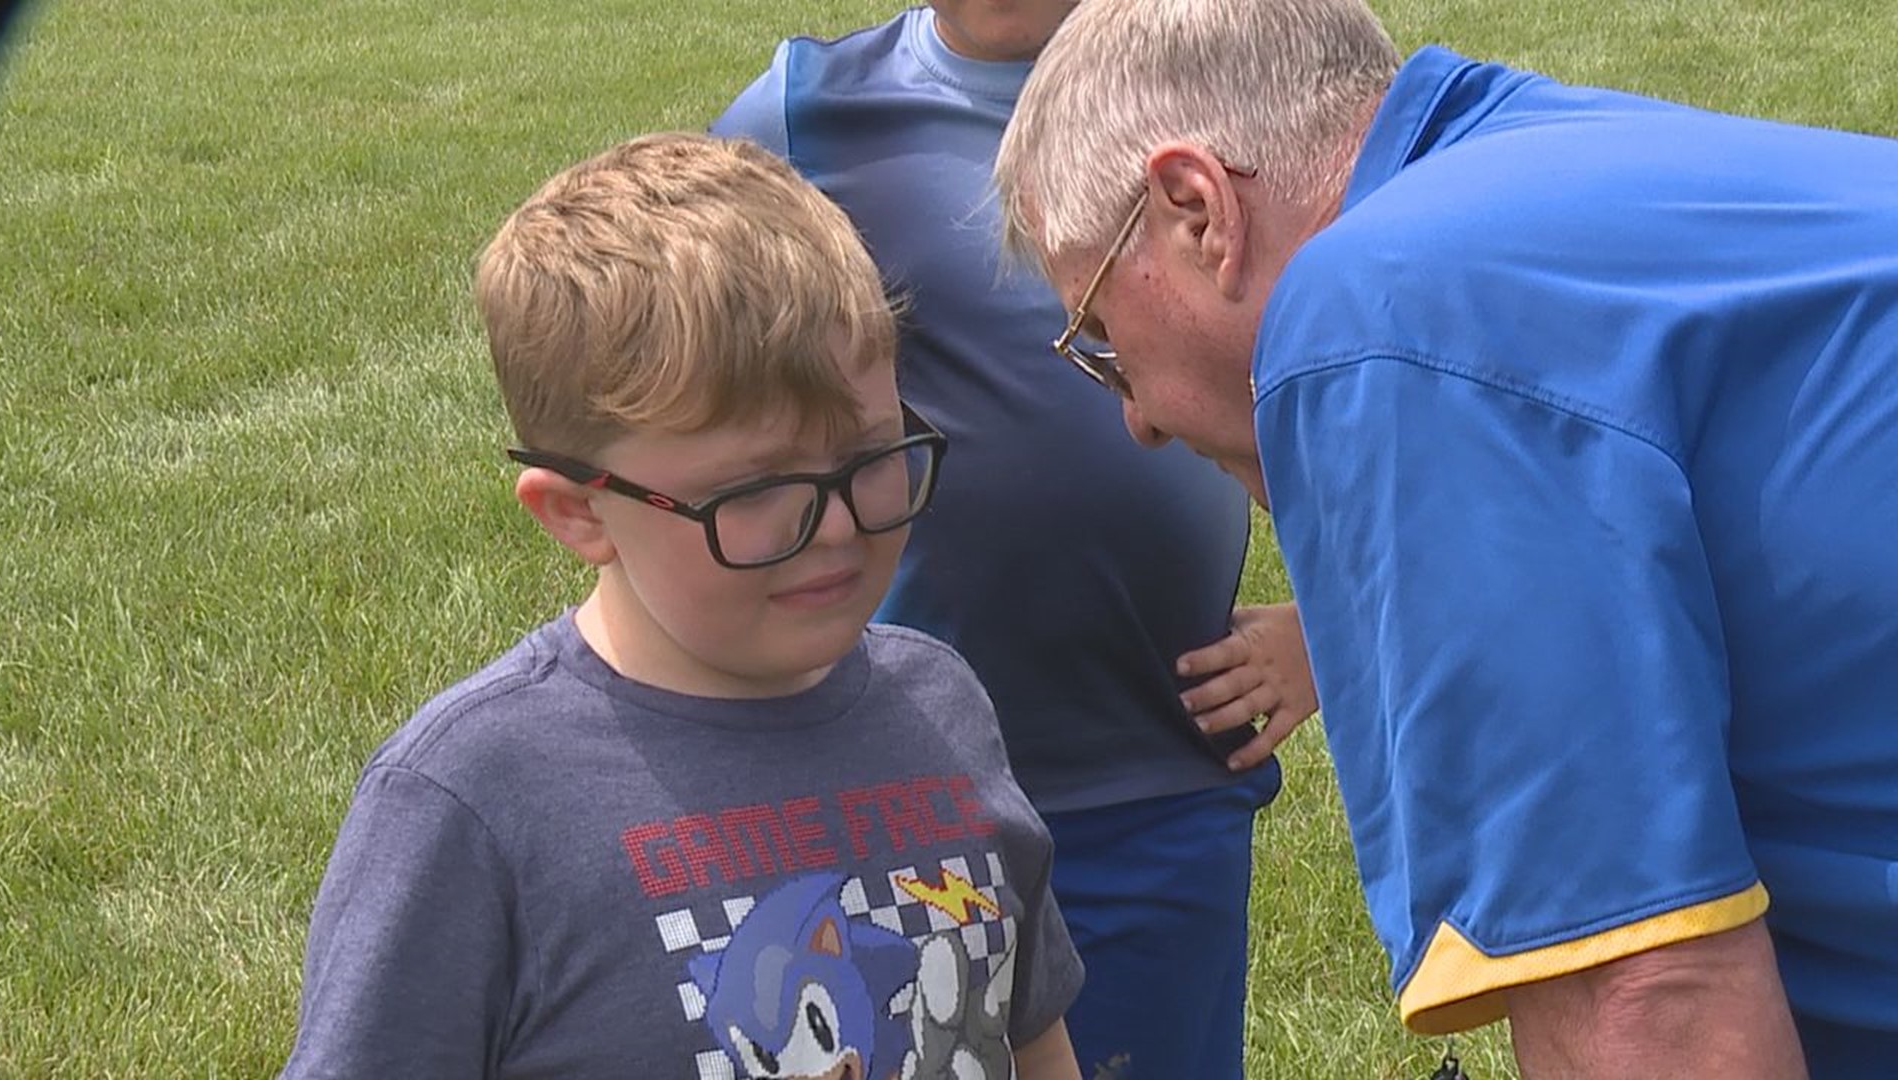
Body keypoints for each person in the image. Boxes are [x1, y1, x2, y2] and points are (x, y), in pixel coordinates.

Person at [989, 0, 1898, 1076]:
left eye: (1099, 335)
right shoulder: (1552, 169)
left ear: (1198, 211)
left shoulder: (1382, 317)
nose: (1134, 418)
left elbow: (1646, 999)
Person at [281, 132, 1085, 1079]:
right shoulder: (472, 803)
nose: (832, 528)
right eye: (750, 494)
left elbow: (1024, 1035)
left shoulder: (941, 706)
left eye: (868, 457)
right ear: (579, 513)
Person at [714, 4, 1321, 1076]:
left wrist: (1332, 627)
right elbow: (698, 371)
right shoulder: (810, 115)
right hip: (909, 776)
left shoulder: (1209, 80)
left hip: (1159, 768)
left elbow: (1353, 359)